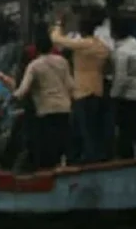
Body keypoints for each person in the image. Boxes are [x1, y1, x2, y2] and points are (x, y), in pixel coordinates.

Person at [51, 9, 110, 164]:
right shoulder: (100, 45)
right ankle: (82, 159)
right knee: (87, 129)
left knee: (85, 132)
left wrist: (59, 23)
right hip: (95, 90)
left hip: (83, 92)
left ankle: (90, 162)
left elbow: (56, 39)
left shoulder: (84, 44)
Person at [12, 30, 74, 170]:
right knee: (62, 141)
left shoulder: (34, 65)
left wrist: (14, 96)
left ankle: (48, 171)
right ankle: (62, 166)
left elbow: (23, 89)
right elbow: (70, 85)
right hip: (64, 108)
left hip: (46, 110)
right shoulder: (62, 61)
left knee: (47, 145)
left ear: (37, 48)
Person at [109, 15, 136, 159]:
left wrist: (113, 94)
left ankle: (126, 160)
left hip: (129, 97)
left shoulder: (122, 52)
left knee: (125, 132)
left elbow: (122, 78)